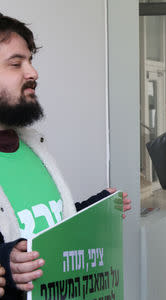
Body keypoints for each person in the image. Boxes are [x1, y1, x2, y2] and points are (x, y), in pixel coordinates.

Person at [0, 14, 131, 299]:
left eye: (31, 61)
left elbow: (45, 226)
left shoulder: (34, 147)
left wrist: (92, 210)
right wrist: (6, 260)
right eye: (16, 63)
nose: (33, 72)